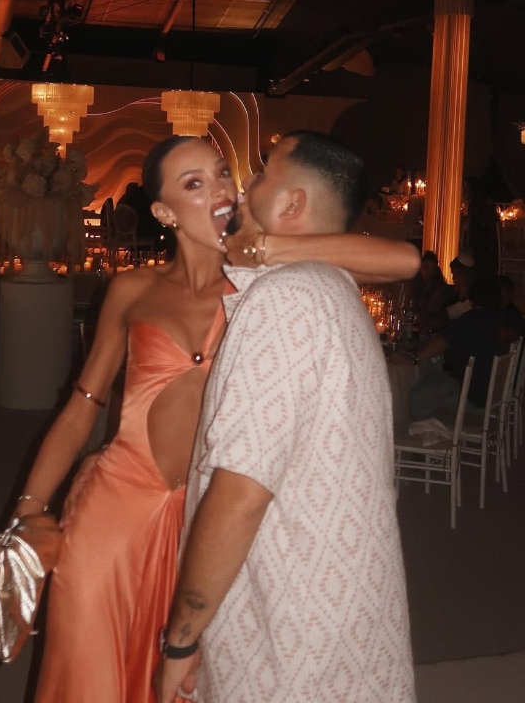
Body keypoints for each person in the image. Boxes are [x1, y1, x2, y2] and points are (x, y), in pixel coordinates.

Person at [12, 136, 419, 703]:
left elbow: (404, 261)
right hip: (119, 505)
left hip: (207, 524)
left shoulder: (261, 286)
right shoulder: (132, 289)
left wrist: (266, 248)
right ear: (164, 212)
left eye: (224, 173)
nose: (222, 189)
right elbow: (83, 405)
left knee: (188, 679)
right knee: (88, 671)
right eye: (195, 184)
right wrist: (29, 508)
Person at [157, 131, 415, 703]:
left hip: (289, 642)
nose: (241, 187)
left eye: (261, 173)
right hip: (338, 622)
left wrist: (181, 639)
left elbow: (239, 495)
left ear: (292, 204)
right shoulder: (332, 286)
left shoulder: (284, 300)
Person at [403, 276, 511, 421]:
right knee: (430, 378)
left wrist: (413, 358)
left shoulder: (472, 320)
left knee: (416, 397)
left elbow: (442, 342)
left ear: (472, 298)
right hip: (497, 396)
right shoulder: (507, 319)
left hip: (474, 398)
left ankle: (433, 432)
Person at [461, 176, 499, 276]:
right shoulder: (483, 201)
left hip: (482, 241)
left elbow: (478, 224)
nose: (464, 191)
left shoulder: (477, 203)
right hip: (485, 240)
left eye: (466, 188)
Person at [408, 250, 453, 330]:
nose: (429, 272)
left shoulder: (441, 290)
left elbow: (427, 312)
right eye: (426, 268)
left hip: (434, 329)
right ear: (420, 268)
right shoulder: (414, 285)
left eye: (432, 269)